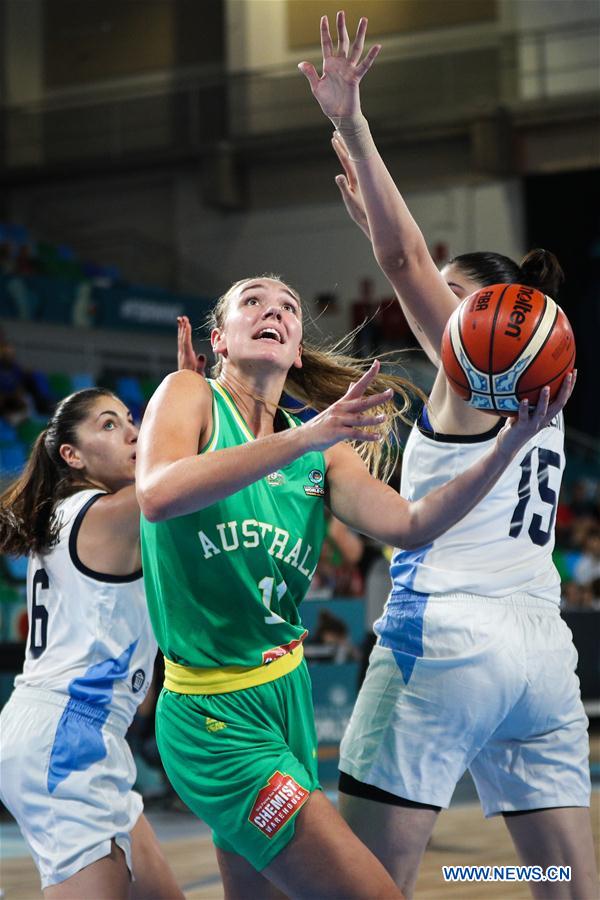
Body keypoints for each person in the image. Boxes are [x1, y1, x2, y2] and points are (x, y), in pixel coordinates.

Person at [136, 264, 571, 900]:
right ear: (219, 340)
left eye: (287, 306)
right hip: (212, 715)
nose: (274, 311)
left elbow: (414, 523)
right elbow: (157, 493)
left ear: (295, 342)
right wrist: (307, 436)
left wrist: (506, 448)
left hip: (287, 697)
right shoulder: (191, 395)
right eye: (252, 302)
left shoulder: (323, 448)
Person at [300, 11, 597, 899]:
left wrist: (349, 116)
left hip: (448, 646)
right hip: (540, 657)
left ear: (484, 315)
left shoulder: (477, 365)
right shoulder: (545, 388)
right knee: (565, 884)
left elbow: (400, 254)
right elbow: (396, 251)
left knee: (372, 885)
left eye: (451, 297)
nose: (436, 313)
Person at [0, 386, 189, 896]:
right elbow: (184, 474)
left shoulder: (67, 512)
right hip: (65, 736)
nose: (132, 431)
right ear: (72, 455)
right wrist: (191, 401)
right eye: (109, 425)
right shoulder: (104, 514)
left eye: (130, 418)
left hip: (66, 730)